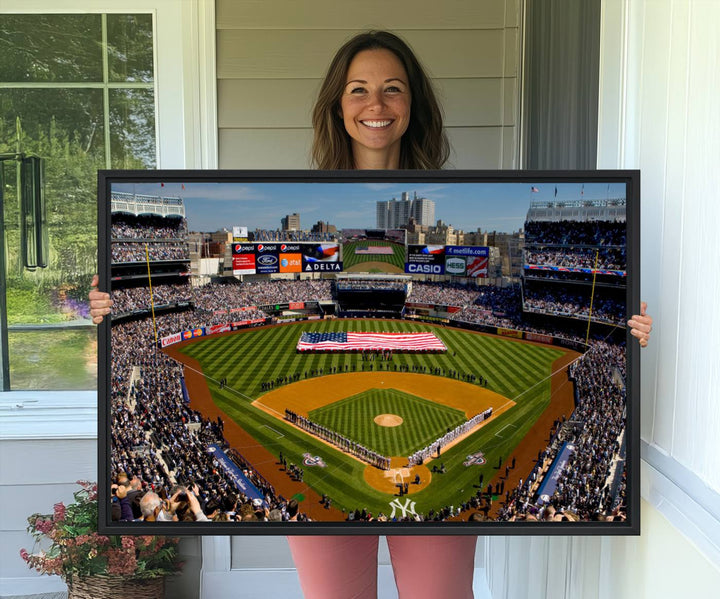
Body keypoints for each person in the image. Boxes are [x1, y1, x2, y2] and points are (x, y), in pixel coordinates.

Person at [89, 29, 653, 599]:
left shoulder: (451, 195)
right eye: (358, 89)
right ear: (337, 104)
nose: (375, 105)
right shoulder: (303, 199)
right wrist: (108, 311)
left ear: (413, 105)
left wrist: (627, 329)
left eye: (393, 89)